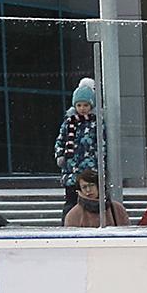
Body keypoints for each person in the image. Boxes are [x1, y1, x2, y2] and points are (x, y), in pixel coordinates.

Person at [56, 79, 100, 213]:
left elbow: (100, 144)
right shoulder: (69, 122)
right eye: (79, 105)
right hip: (71, 170)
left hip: (89, 170)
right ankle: (68, 222)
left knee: (90, 200)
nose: (82, 108)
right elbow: (60, 141)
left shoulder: (95, 123)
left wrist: (99, 161)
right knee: (71, 200)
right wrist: (60, 155)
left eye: (85, 105)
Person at [62, 168, 129, 227]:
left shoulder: (117, 209)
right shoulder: (73, 215)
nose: (88, 190)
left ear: (99, 186)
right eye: (84, 187)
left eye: (91, 185)